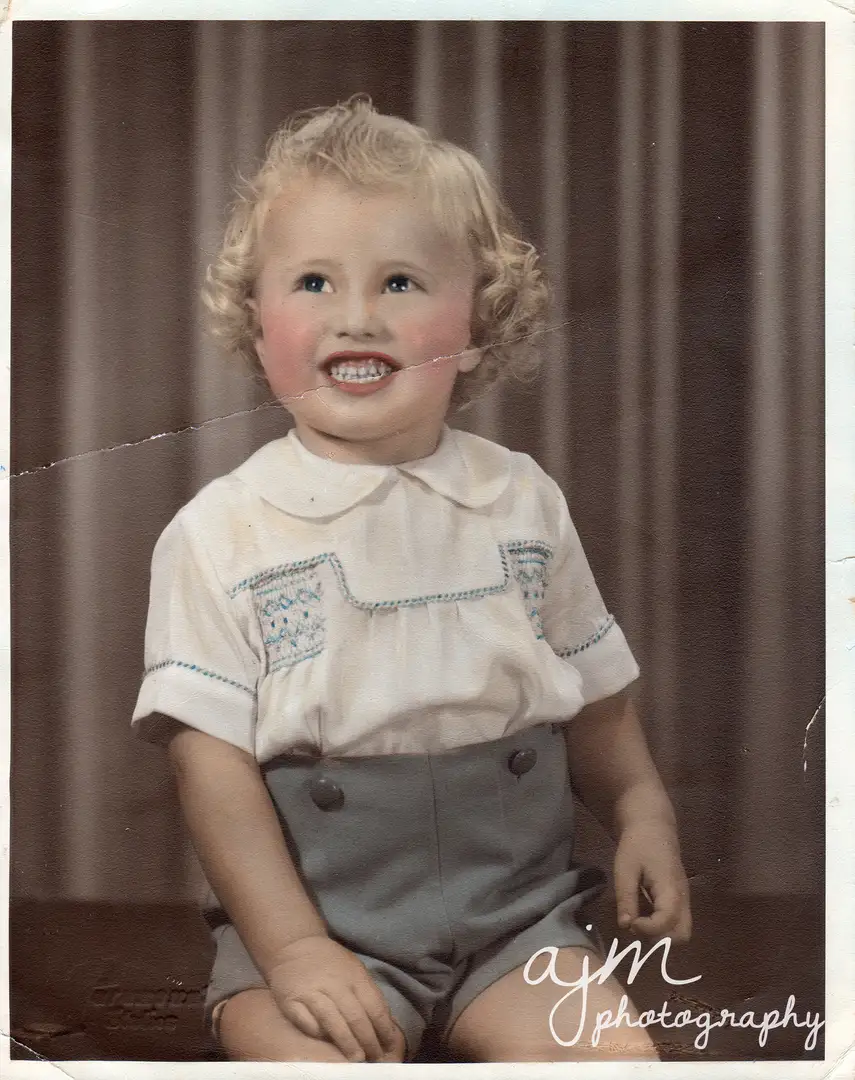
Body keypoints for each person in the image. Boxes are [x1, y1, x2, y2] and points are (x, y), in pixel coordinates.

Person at [132, 96, 691, 1064]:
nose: (357, 317)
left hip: (515, 927)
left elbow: (597, 702)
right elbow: (208, 769)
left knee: (616, 1064)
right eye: (313, 281)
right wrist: (295, 950)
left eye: (400, 281)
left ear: (475, 321)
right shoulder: (222, 532)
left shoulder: (521, 502)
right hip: (316, 929)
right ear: (257, 323)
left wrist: (644, 810)